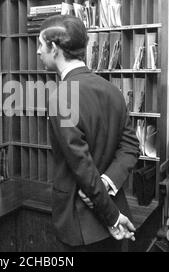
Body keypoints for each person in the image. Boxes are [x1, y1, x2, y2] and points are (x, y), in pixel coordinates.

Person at [37, 15, 140, 251]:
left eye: (40, 44)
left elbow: (81, 167)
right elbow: (131, 147)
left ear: (54, 49)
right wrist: (108, 182)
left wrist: (112, 217)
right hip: (113, 210)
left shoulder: (62, 97)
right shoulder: (112, 89)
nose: (37, 52)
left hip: (83, 223)